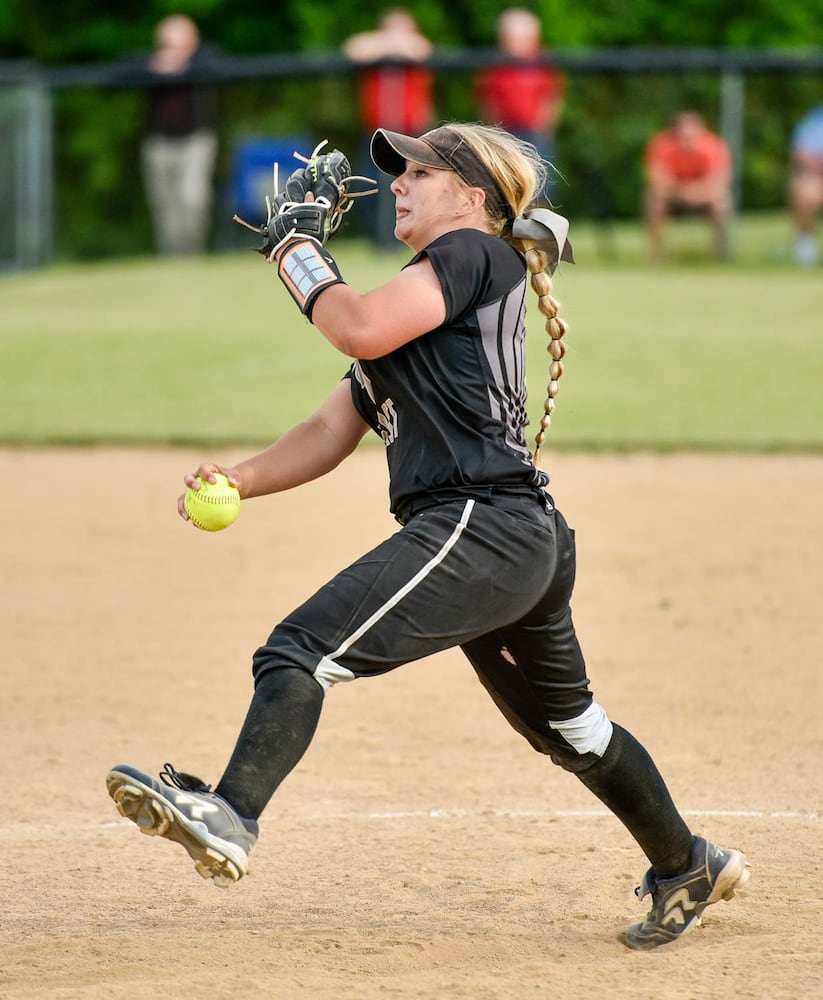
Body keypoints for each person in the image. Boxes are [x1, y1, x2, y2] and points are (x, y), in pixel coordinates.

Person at [106, 121, 750, 950]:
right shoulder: (422, 305)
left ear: (472, 197)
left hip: (482, 523)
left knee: (300, 650)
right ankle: (685, 863)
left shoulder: (473, 254)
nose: (398, 184)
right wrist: (241, 478)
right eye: (399, 173)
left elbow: (356, 325)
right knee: (570, 730)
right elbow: (331, 427)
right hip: (511, 538)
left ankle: (230, 814)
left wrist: (296, 248)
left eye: (417, 171)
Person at [343, 9, 434, 248]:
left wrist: (397, 45)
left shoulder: (416, 52)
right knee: (370, 184)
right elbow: (353, 48)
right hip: (378, 133)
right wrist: (388, 45)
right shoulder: (375, 55)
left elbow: (422, 49)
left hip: (412, 134)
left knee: (416, 187)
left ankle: (415, 235)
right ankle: (379, 238)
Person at [140, 14, 220, 255]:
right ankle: (173, 256)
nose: (172, 51)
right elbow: (123, 70)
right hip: (159, 143)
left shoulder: (205, 61)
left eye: (179, 44)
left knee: (193, 197)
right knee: (165, 203)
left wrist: (182, 66)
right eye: (167, 45)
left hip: (196, 141)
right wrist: (157, 67)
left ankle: (193, 252)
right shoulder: (150, 64)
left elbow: (219, 66)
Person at [476, 8, 565, 203]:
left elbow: (552, 97)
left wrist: (544, 127)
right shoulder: (496, 63)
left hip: (535, 134)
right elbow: (487, 99)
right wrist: (493, 132)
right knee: (503, 185)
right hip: (504, 134)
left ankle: (540, 229)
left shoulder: (542, 61)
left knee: (541, 187)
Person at [643, 110, 733, 260]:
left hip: (704, 197)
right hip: (673, 196)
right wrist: (680, 190)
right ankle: (657, 254)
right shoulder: (661, 145)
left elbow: (718, 180)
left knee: (722, 202)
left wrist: (695, 192)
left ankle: (720, 254)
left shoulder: (713, 146)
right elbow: (657, 178)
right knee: (654, 200)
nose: (687, 139)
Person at [788, 104, 823, 267]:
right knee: (805, 190)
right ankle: (805, 242)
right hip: (817, 177)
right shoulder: (815, 119)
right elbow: (800, 150)